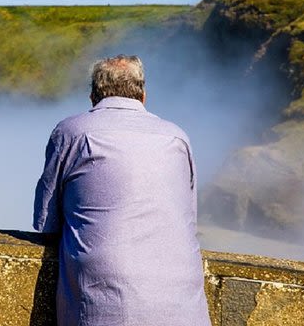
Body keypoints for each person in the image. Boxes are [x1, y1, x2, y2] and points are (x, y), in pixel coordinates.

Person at [33, 55, 210, 326]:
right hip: (183, 297)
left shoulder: (72, 132)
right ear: (143, 95)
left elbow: (46, 221)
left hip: (105, 294)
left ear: (93, 95)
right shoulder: (177, 136)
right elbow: (188, 218)